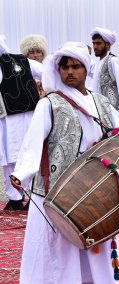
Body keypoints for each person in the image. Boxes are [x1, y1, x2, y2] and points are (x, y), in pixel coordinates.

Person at [10, 42, 119, 284]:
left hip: (97, 189)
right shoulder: (50, 103)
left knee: (98, 243)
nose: (70, 72)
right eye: (65, 67)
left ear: (86, 69)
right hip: (57, 190)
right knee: (60, 250)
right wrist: (22, 174)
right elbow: (32, 143)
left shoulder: (102, 102)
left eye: (76, 66)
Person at [0, 35, 44, 210]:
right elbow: (48, 72)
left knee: (21, 156)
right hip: (16, 117)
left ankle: (24, 198)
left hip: (18, 118)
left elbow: (48, 72)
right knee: (17, 158)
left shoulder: (18, 62)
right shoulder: (23, 60)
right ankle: (22, 198)